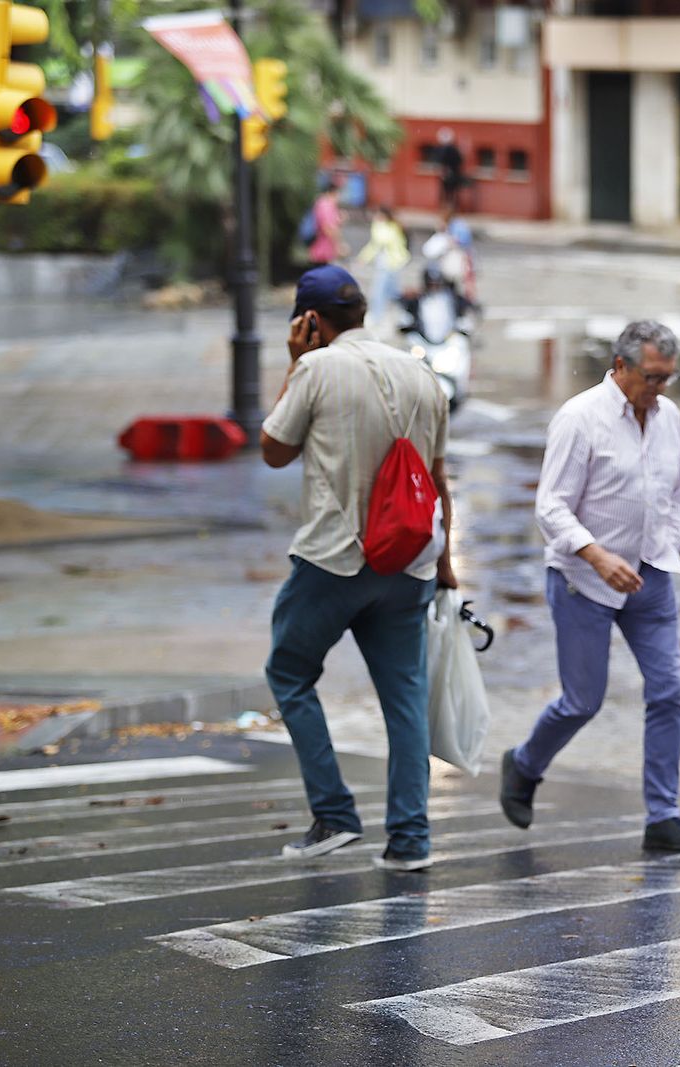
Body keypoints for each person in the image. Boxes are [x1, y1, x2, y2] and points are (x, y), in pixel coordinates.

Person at [259, 264, 458, 869]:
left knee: (290, 673)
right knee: (404, 698)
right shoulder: (423, 373)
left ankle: (335, 814)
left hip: (333, 558)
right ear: (363, 312)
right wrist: (445, 566)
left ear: (310, 321)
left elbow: (273, 450)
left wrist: (295, 361)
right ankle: (410, 841)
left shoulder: (317, 368)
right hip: (410, 562)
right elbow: (439, 479)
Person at [499, 320, 680, 853]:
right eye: (651, 376)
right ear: (620, 366)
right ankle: (524, 765)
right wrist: (595, 554)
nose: (659, 388)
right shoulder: (579, 418)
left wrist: (670, 539)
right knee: (582, 701)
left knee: (669, 692)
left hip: (652, 576)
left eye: (668, 377)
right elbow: (550, 507)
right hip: (582, 581)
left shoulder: (669, 419)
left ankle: (663, 816)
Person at [354, 205, 410, 335]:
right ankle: (378, 317)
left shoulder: (391, 227)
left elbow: (381, 240)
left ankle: (392, 317)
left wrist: (377, 225)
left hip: (393, 263)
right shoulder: (387, 226)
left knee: (388, 292)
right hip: (385, 265)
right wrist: (363, 258)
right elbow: (374, 245)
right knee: (380, 291)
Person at [306, 181, 345, 266]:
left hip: (323, 251)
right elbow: (327, 228)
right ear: (332, 192)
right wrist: (339, 246)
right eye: (338, 194)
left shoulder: (325, 204)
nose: (339, 197)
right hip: (321, 251)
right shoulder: (326, 205)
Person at [435, 128, 466, 211]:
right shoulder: (453, 149)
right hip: (452, 174)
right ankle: (450, 208)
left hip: (448, 174)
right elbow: (460, 160)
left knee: (447, 192)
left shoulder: (441, 149)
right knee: (451, 192)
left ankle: (447, 208)